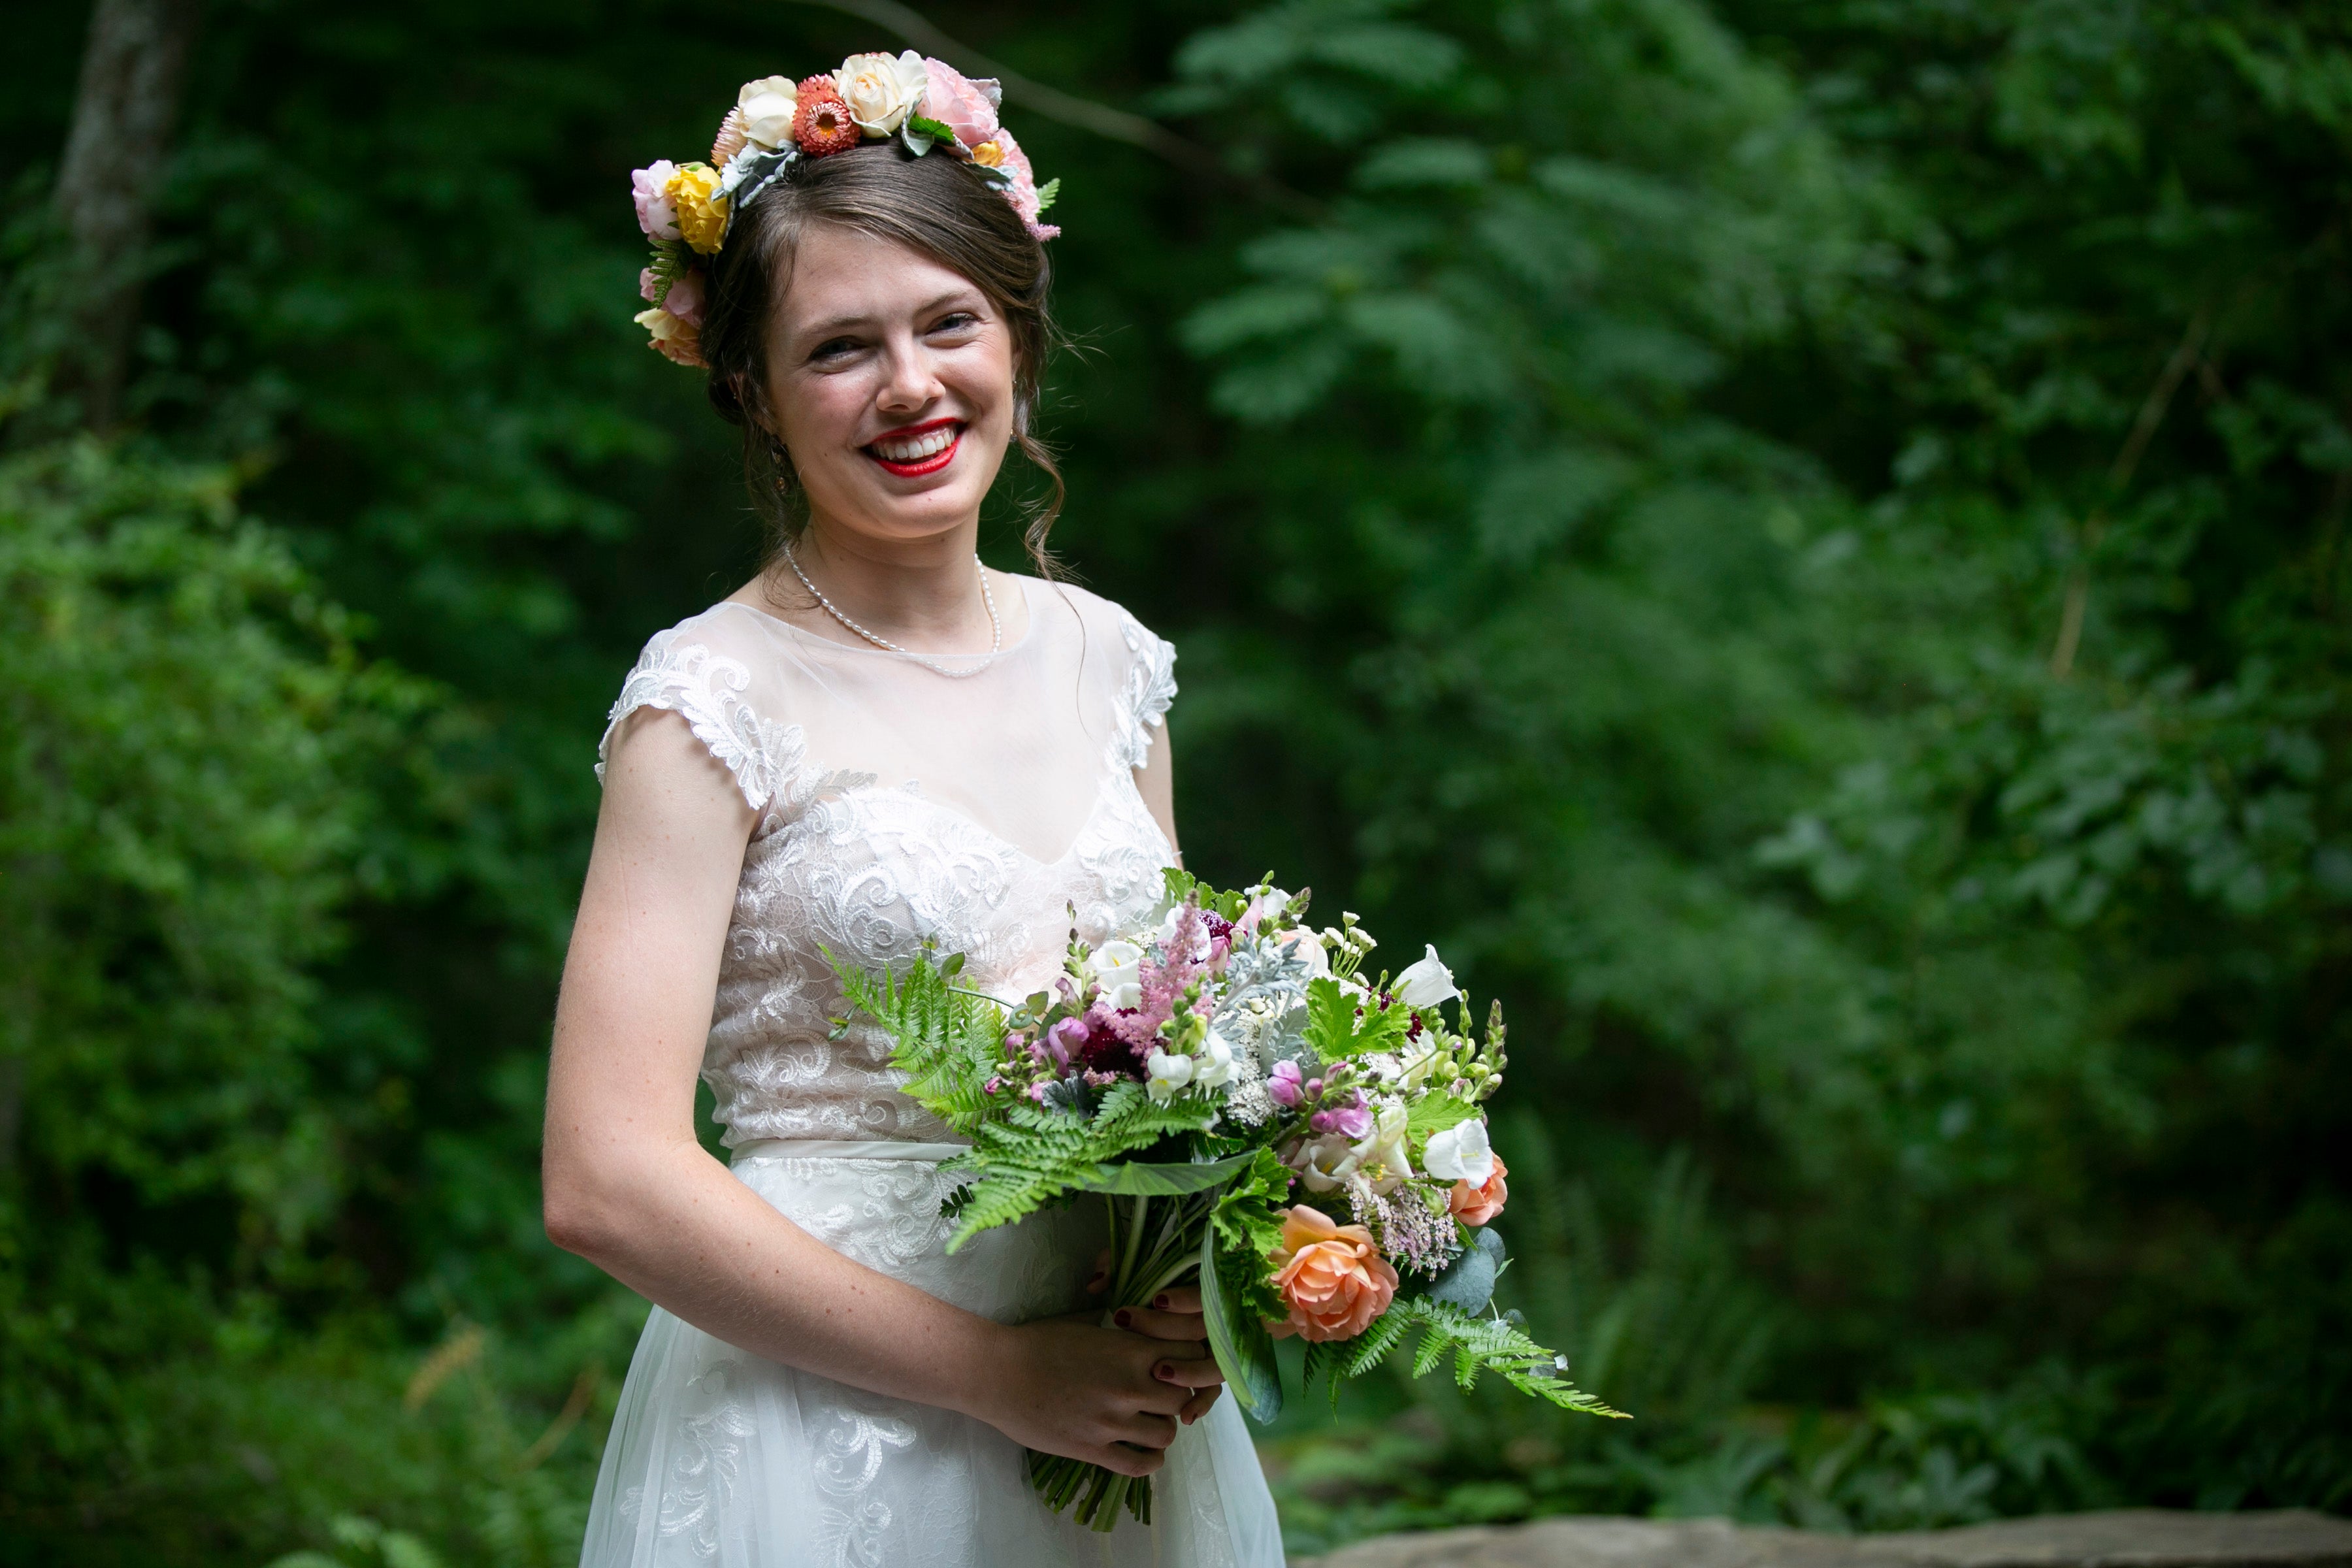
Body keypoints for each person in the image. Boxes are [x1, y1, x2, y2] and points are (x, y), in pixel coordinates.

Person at [542, 53, 1284, 1567]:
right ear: (748, 385)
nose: (909, 387)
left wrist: (1247, 1243)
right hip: (824, 1451)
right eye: (838, 348)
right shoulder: (708, 700)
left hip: (1117, 1445)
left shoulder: (1113, 661)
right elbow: (605, 1177)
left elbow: (1177, 1056)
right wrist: (1001, 1380)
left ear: (1019, 334)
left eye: (950, 322)